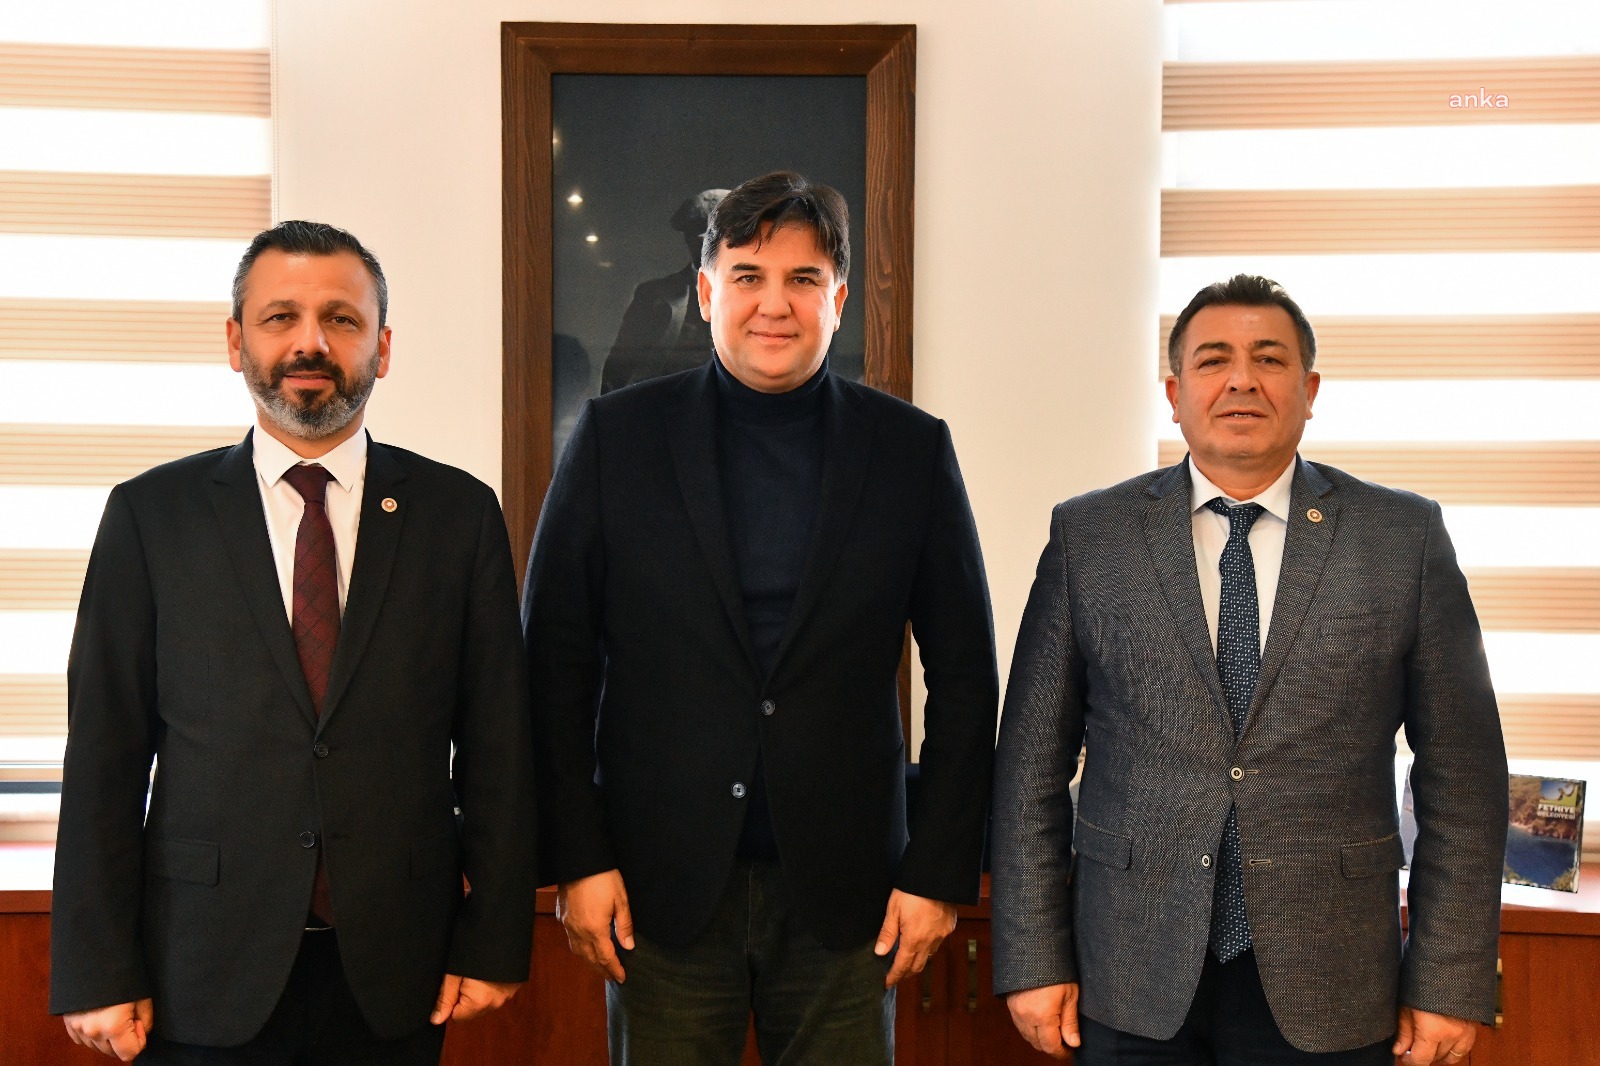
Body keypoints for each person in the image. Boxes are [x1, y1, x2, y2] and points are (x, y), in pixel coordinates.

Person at [523, 171, 998, 1065]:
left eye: (803, 279)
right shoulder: (617, 439)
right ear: (707, 293)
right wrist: (578, 858)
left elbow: (967, 676)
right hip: (657, 890)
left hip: (849, 897)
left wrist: (939, 872)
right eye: (747, 276)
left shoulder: (909, 449)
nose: (773, 304)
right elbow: (552, 664)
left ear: (838, 300)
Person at [50, 221, 537, 1064]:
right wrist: (95, 965)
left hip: (398, 966)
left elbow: (499, 745)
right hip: (200, 964)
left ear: (382, 348)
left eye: (342, 319)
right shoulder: (151, 516)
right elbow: (104, 752)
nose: (311, 342)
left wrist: (495, 937)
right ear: (236, 341)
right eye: (280, 317)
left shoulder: (458, 516)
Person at [992, 274, 1507, 1065]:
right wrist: (1033, 957)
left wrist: (1447, 979)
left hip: (1331, 976)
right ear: (1175, 393)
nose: (1241, 380)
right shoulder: (1091, 537)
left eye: (1269, 359)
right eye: (1213, 360)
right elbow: (1030, 763)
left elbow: (1464, 776)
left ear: (1309, 390)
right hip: (1130, 969)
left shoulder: (1401, 538)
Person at [599, 187, 729, 394]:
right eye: (695, 235)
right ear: (687, 238)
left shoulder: (758, 294)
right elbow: (618, 370)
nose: (702, 243)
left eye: (712, 235)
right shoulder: (653, 295)